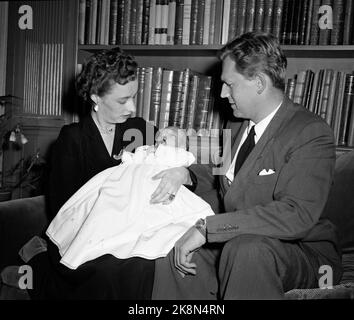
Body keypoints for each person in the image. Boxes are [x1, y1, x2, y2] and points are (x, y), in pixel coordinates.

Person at [150, 32, 343, 299]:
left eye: (229, 84)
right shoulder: (238, 124)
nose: (222, 93)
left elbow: (296, 214)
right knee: (169, 248)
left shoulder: (310, 132)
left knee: (245, 249)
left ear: (259, 83)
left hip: (305, 251)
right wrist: (187, 175)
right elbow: (227, 180)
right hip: (242, 237)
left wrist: (208, 228)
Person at [26, 47, 158, 299]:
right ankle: (39, 270)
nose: (132, 107)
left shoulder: (141, 130)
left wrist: (181, 174)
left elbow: (163, 176)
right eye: (122, 100)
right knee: (107, 271)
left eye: (134, 97)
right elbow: (63, 211)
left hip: (129, 235)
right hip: (80, 238)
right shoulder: (72, 139)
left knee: (143, 265)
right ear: (96, 97)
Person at [45, 127, 214, 270]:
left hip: (157, 189)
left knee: (158, 216)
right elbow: (134, 158)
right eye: (160, 136)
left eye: (169, 137)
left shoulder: (175, 152)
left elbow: (190, 165)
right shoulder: (74, 135)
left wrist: (182, 171)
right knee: (106, 214)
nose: (161, 139)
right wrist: (126, 157)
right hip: (128, 189)